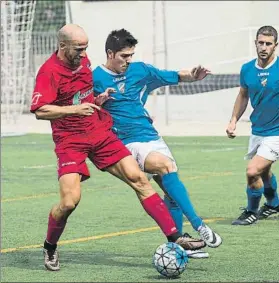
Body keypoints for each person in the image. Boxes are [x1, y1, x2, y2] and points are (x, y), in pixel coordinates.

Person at [30, 24, 206, 271]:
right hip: (70, 140)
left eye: (86, 48)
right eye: (79, 49)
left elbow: (83, 96)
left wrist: (96, 101)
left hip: (99, 132)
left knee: (140, 179)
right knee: (69, 202)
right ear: (62, 46)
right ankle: (50, 246)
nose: (84, 54)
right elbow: (40, 110)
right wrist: (75, 110)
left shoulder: (83, 61)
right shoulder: (48, 72)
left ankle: (175, 238)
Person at [92, 28, 222, 252]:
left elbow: (172, 75)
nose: (128, 60)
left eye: (131, 55)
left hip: (152, 137)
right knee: (165, 166)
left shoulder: (140, 70)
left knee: (171, 191)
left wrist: (193, 75)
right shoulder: (95, 78)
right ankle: (199, 224)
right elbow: (85, 108)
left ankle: (179, 246)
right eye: (124, 56)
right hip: (128, 142)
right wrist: (98, 102)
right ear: (110, 53)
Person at [226, 25, 279, 225]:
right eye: (261, 43)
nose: (264, 47)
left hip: (276, 133)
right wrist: (233, 120)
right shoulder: (247, 69)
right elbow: (243, 95)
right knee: (264, 172)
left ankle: (251, 211)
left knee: (252, 171)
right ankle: (274, 203)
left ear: (276, 46)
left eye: (268, 44)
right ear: (255, 43)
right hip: (257, 130)